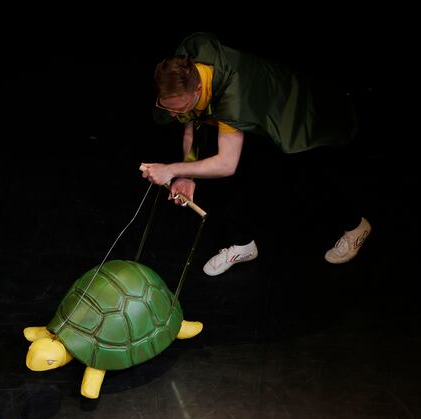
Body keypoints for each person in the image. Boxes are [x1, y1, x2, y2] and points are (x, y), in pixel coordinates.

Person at [139, 32, 371, 276]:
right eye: (167, 108)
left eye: (179, 108)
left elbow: (226, 164)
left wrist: (171, 170)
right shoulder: (181, 71)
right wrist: (188, 175)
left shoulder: (232, 95)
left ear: (197, 90)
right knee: (214, 172)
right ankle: (244, 245)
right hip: (246, 109)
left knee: (306, 170)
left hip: (290, 110)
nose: (173, 115)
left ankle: (356, 226)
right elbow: (191, 125)